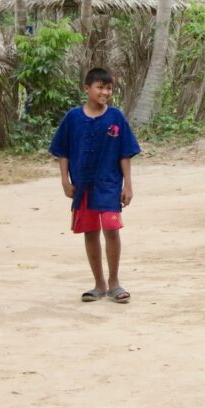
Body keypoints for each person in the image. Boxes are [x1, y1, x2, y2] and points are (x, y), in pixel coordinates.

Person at [50, 67, 141, 302]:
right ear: (87, 89)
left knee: (112, 229)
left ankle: (115, 283)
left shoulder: (116, 117)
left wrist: (127, 185)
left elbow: (124, 153)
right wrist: (64, 181)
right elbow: (63, 151)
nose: (105, 92)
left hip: (109, 184)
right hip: (82, 186)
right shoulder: (72, 118)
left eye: (109, 88)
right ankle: (98, 284)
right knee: (90, 232)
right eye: (100, 87)